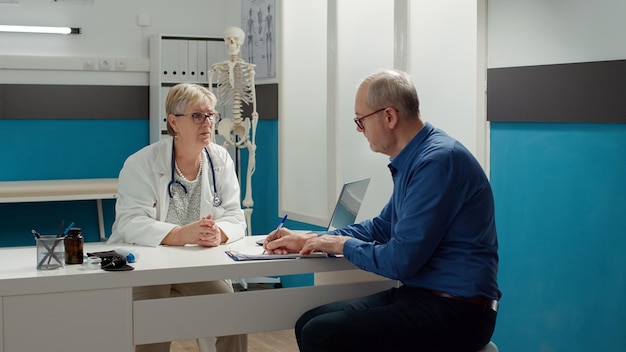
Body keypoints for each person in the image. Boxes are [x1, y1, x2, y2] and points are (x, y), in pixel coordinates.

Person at [263, 69, 501, 352]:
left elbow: (400, 261)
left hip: (459, 311)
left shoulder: (436, 162)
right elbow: (382, 227)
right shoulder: (416, 158)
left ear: (389, 117)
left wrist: (342, 243)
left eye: (360, 120)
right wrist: (312, 240)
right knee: (309, 321)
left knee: (321, 333)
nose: (358, 129)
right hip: (424, 296)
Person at [108, 83, 247, 352]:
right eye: (197, 116)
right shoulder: (142, 163)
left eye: (211, 115)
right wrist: (181, 234)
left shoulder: (220, 160)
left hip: (194, 264)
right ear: (174, 121)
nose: (207, 122)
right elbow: (130, 222)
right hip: (148, 264)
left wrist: (220, 232)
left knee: (232, 313)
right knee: (152, 324)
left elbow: (234, 215)